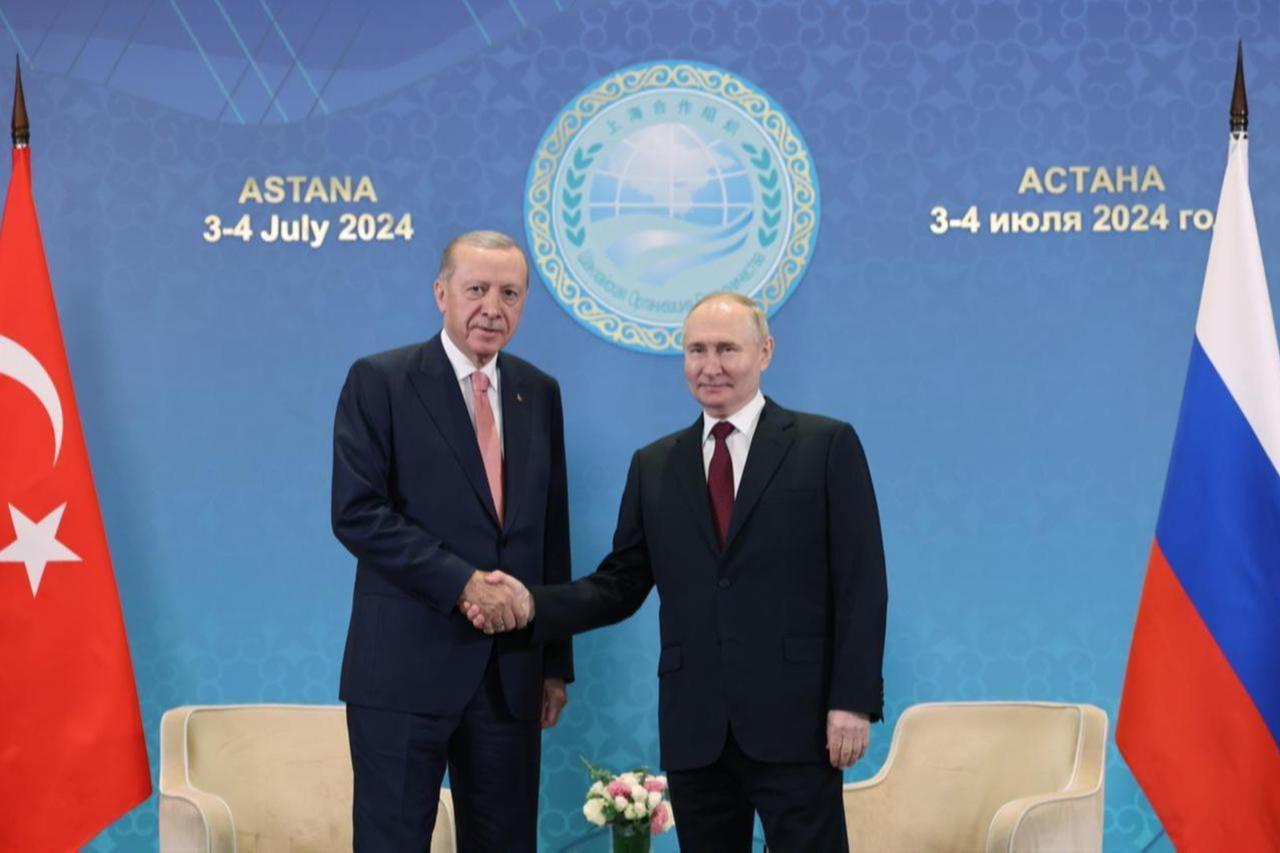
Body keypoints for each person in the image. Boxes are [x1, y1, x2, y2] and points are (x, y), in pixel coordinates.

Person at [469, 292, 887, 852]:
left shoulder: (826, 445)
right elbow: (619, 584)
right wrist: (531, 604)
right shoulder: (655, 464)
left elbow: (862, 583)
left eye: (726, 349)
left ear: (765, 352)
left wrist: (852, 702)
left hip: (800, 724)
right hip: (697, 728)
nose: (710, 366)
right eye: (696, 350)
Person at [331, 230, 573, 852]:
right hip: (405, 671)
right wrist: (461, 582)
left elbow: (551, 531)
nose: (493, 307)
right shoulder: (380, 381)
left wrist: (553, 665)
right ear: (442, 293)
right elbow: (358, 513)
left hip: (510, 676)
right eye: (477, 289)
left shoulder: (539, 391)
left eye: (510, 293)